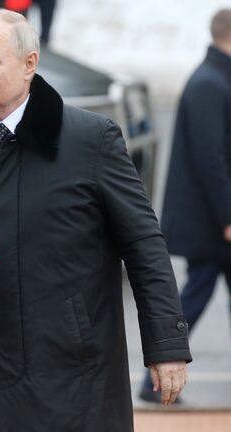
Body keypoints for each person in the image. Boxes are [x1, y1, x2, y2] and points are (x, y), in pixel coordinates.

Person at [0, 9, 191, 431]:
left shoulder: (92, 140)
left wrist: (166, 346)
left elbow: (144, 244)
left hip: (74, 377)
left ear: (29, 64)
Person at [139, 8, 231, 404]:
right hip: (212, 221)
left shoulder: (215, 77)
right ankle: (154, 381)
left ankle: (154, 382)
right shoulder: (210, 83)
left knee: (196, 293)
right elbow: (212, 159)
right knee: (193, 295)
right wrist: (229, 217)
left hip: (212, 218)